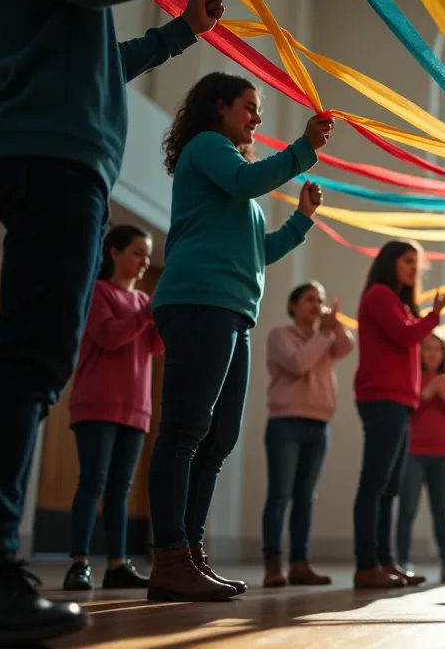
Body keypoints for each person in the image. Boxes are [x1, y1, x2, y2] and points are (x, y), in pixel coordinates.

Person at [0, 0, 221, 642]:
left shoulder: (66, 20)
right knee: (30, 359)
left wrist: (181, 32)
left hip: (57, 152)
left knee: (31, 359)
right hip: (54, 154)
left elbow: (101, 55)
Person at [146, 71, 331, 602]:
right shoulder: (208, 148)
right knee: (185, 432)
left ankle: (191, 553)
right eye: (249, 106)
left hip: (230, 312)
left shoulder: (236, 176)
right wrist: (303, 148)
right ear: (219, 107)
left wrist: (301, 220)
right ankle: (170, 555)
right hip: (199, 302)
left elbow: (260, 253)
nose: (256, 116)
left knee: (218, 437)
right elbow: (250, 183)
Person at [63, 226, 163, 592]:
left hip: (136, 406)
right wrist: (148, 312)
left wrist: (164, 314)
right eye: (137, 252)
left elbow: (155, 347)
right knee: (93, 482)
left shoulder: (143, 302)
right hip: (98, 402)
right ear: (114, 253)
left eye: (147, 254)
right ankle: (79, 563)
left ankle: (118, 564)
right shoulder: (98, 292)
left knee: (120, 488)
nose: (144, 261)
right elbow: (109, 336)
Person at [352, 241, 445, 589]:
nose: (415, 268)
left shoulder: (398, 302)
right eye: (408, 261)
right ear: (390, 261)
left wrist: (426, 316)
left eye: (417, 263)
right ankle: (367, 564)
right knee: (375, 483)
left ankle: (385, 561)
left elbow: (408, 333)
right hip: (382, 399)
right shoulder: (380, 295)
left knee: (389, 486)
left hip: (399, 402)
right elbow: (405, 335)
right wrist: (434, 316)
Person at [261, 282, 354, 588]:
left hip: (319, 423)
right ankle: (273, 564)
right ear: (293, 306)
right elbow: (299, 364)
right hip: (286, 422)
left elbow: (348, 346)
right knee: (281, 494)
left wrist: (333, 326)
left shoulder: (324, 337)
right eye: (309, 300)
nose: (316, 305)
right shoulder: (280, 336)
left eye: (321, 300)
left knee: (305, 498)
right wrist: (325, 332)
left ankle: (300, 563)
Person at [397, 331, 445, 583]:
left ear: (443, 354)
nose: (432, 354)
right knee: (407, 509)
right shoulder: (411, 379)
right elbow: (407, 410)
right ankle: (402, 562)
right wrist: (427, 393)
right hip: (413, 453)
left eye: (437, 349)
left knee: (442, 510)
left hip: (443, 454)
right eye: (427, 348)